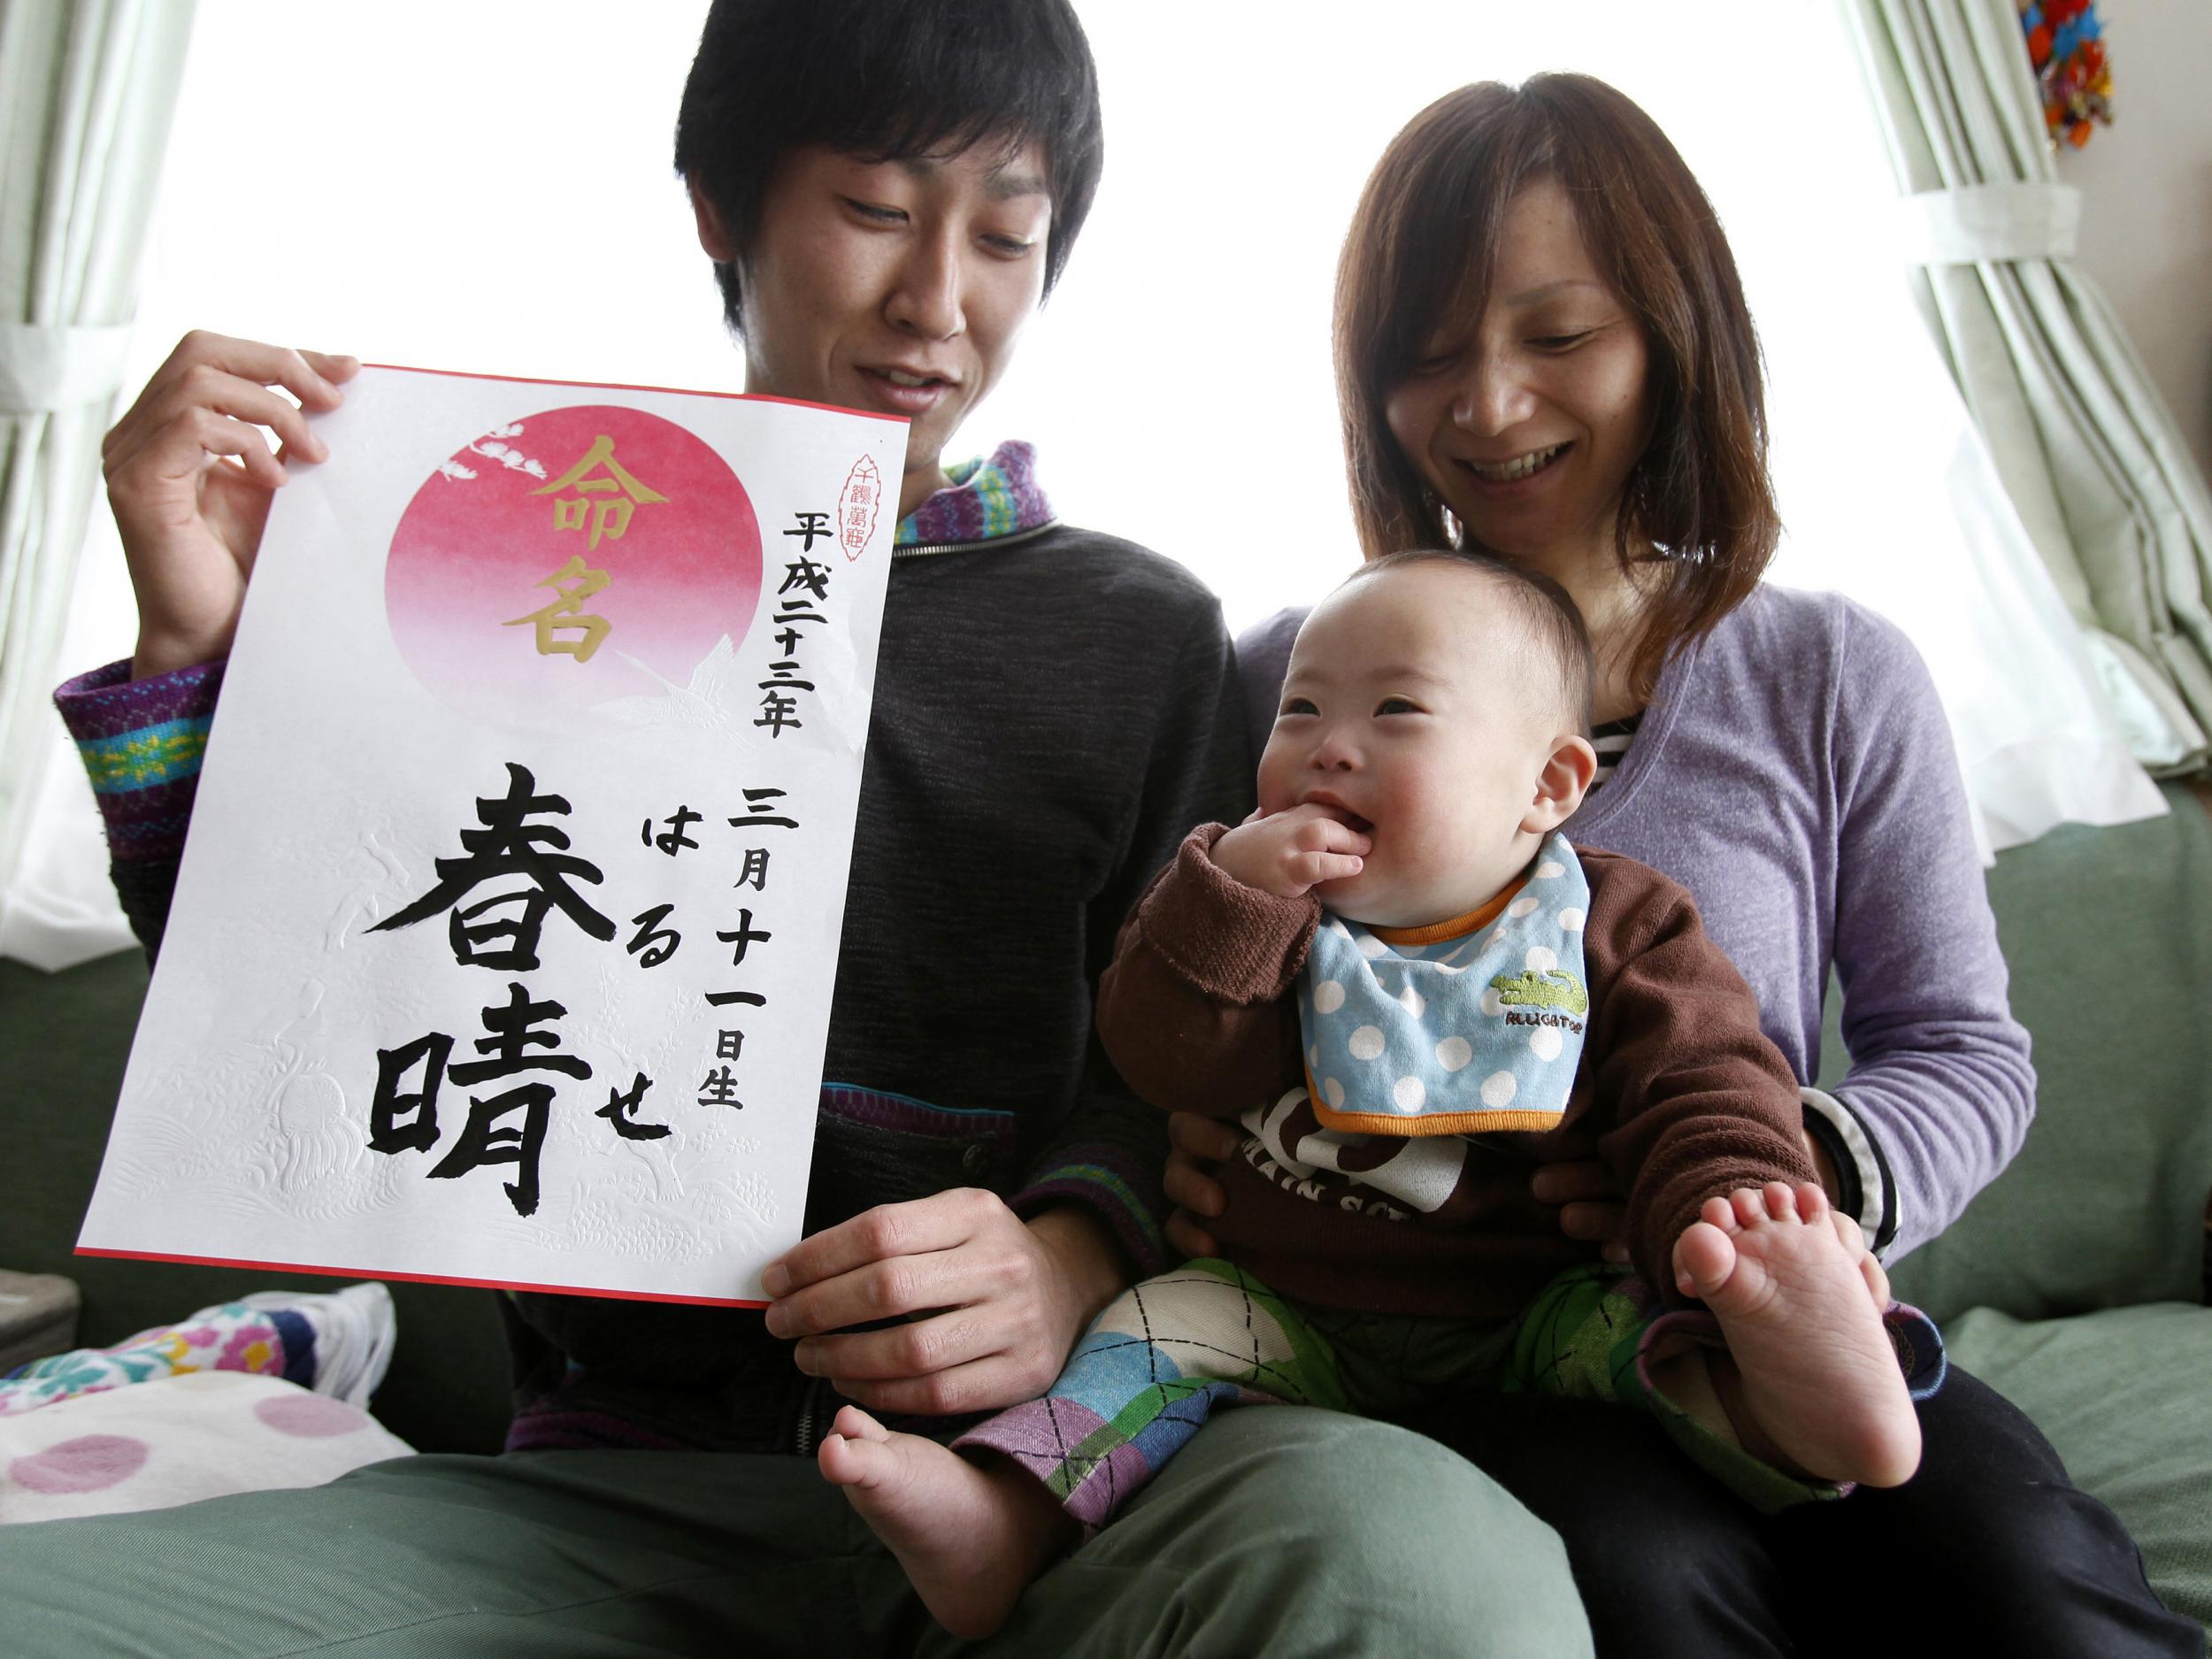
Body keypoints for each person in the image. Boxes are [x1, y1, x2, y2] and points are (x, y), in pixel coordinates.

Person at [10, 7, 1597, 1656]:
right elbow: (293, 1017)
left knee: (1424, 1573)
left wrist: (1064, 1255)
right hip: (607, 1504)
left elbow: (1191, 1050)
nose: (939, 301)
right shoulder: (528, 584)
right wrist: (197, 648)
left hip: (1058, 1496)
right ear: (721, 203)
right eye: (875, 209)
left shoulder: (1139, 633)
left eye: (1006, 235)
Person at [1176, 73, 2201, 1659]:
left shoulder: (1831, 672)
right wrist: (1178, 1155)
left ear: (1675, 332)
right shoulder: (1281, 686)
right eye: (1429, 353)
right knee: (1648, 1580)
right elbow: (1177, 984)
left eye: (1556, 336)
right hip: (1474, 1348)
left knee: (2017, 1575)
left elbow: (1968, 1051)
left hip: (1762, 1308)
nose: (1490, 406)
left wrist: (1789, 1173)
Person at [816, 549, 1943, 1640]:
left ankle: (1808, 1410)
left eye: (1396, 713)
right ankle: (1003, 1518)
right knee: (1143, 1340)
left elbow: (1704, 1081)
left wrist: (1736, 1204)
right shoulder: (1255, 911)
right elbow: (1162, 1064)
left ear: (1547, 784)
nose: (1329, 751)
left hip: (1526, 1312)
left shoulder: (1615, 925)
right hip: (1281, 1309)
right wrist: (1230, 915)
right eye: (1298, 711)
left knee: (1662, 1334)